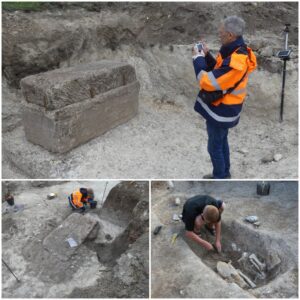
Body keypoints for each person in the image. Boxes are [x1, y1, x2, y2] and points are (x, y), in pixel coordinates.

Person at [192, 16, 257, 179]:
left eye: (221, 33)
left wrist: (197, 58)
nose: (218, 35)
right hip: (228, 107)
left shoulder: (237, 60)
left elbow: (207, 81)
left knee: (214, 146)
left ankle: (220, 176)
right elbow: (220, 71)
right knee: (221, 141)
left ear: (230, 35)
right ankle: (225, 172)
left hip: (223, 110)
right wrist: (207, 56)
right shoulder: (235, 49)